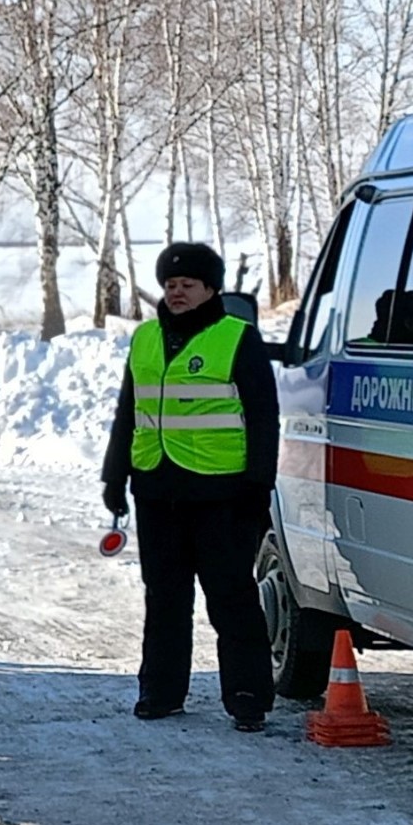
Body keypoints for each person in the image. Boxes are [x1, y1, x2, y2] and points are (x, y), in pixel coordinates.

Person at [99, 240, 282, 729]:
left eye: (188, 285)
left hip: (221, 494)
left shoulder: (236, 338)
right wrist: (115, 475)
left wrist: (258, 486)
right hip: (157, 489)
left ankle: (247, 696)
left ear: (210, 289)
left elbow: (265, 418)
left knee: (231, 597)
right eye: (170, 285)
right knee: (164, 598)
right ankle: (160, 692)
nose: (177, 293)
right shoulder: (145, 339)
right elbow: (127, 413)